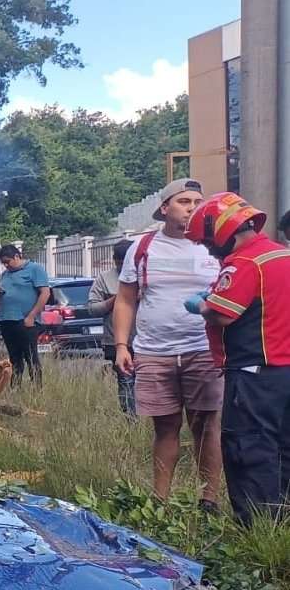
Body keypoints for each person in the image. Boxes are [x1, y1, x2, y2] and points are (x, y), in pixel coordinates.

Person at [113, 178, 223, 509]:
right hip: (154, 352)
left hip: (203, 350)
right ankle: (159, 501)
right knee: (165, 427)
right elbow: (125, 299)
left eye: (198, 202)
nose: (192, 208)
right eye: (184, 201)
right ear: (165, 208)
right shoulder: (142, 247)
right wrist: (122, 345)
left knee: (206, 426)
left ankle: (209, 501)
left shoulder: (214, 246)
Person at [187, 193, 290, 523]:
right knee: (284, 448)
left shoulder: (244, 262)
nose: (209, 250)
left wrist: (202, 305)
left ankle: (256, 527)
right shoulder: (282, 255)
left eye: (207, 243)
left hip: (254, 373)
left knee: (249, 448)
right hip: (284, 371)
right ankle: (282, 521)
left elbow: (223, 314)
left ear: (221, 231)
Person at [87, 239, 138, 416]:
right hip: (116, 341)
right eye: (120, 263)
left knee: (148, 382)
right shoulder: (104, 278)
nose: (124, 267)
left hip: (146, 340)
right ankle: (131, 421)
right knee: (126, 382)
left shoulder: (147, 276)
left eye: (127, 262)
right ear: (114, 260)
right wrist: (117, 300)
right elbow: (92, 309)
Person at [0, 244, 50, 385]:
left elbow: (45, 293)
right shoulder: (5, 274)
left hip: (25, 321)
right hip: (7, 320)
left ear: (17, 256)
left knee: (31, 357)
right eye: (3, 263)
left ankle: (37, 389)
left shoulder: (35, 269)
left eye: (8, 261)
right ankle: (15, 388)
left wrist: (31, 316)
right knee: (14, 359)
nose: (6, 265)